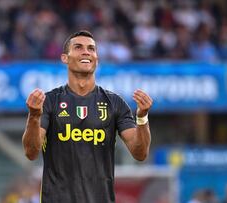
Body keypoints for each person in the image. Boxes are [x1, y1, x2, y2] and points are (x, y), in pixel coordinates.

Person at [22, 30, 152, 203]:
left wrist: (142, 118)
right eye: (78, 47)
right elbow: (31, 152)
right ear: (65, 58)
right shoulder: (50, 102)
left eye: (91, 49)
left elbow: (140, 152)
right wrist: (34, 116)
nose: (86, 52)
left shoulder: (115, 103)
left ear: (97, 59)